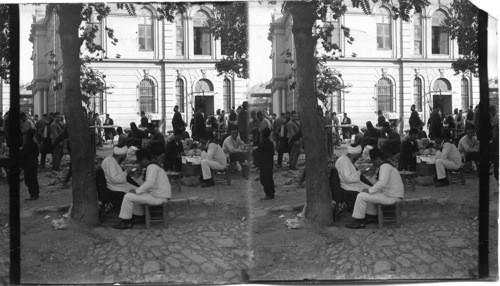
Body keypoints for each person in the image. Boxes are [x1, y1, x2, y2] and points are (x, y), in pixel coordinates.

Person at [345, 147, 404, 229]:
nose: (373, 163)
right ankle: (372, 217)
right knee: (367, 194)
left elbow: (382, 183)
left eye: (373, 161)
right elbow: (380, 182)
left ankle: (359, 222)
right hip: (391, 194)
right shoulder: (386, 165)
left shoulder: (385, 166)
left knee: (361, 196)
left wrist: (369, 190)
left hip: (392, 197)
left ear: (378, 159)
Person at [113, 148, 171, 229]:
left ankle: (126, 222)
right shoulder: (153, 166)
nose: (140, 164)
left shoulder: (152, 167)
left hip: (159, 197)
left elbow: (149, 183)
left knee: (128, 196)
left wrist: (137, 191)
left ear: (144, 159)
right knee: (134, 194)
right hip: (159, 195)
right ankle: (138, 217)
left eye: (140, 162)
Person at [255, 127, 275, 200]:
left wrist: (257, 164)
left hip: (264, 164)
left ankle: (268, 194)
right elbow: (273, 153)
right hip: (269, 163)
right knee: (269, 178)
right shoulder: (271, 143)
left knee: (264, 180)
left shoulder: (262, 143)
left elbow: (258, 154)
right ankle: (271, 193)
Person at [21, 129, 40, 200]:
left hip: (28, 164)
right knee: (33, 178)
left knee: (29, 180)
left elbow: (23, 155)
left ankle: (33, 194)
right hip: (34, 163)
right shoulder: (35, 143)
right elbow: (37, 153)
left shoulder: (26, 144)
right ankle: (35, 193)